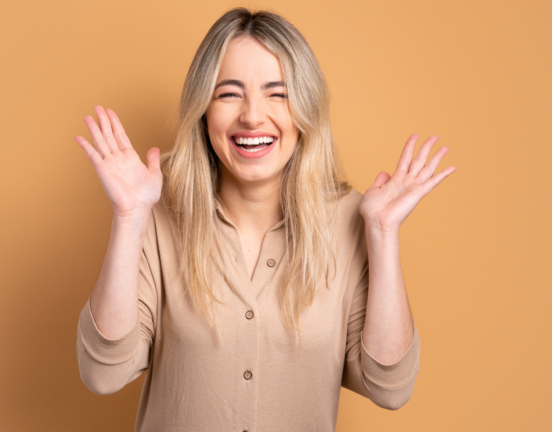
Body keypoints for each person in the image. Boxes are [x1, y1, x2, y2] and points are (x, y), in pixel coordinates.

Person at [74, 7, 455, 431]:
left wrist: (382, 234)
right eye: (229, 93)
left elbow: (390, 388)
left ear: (305, 108)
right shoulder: (158, 211)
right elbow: (104, 374)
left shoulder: (353, 219)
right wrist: (129, 217)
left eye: (278, 93)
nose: (252, 116)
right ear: (203, 110)